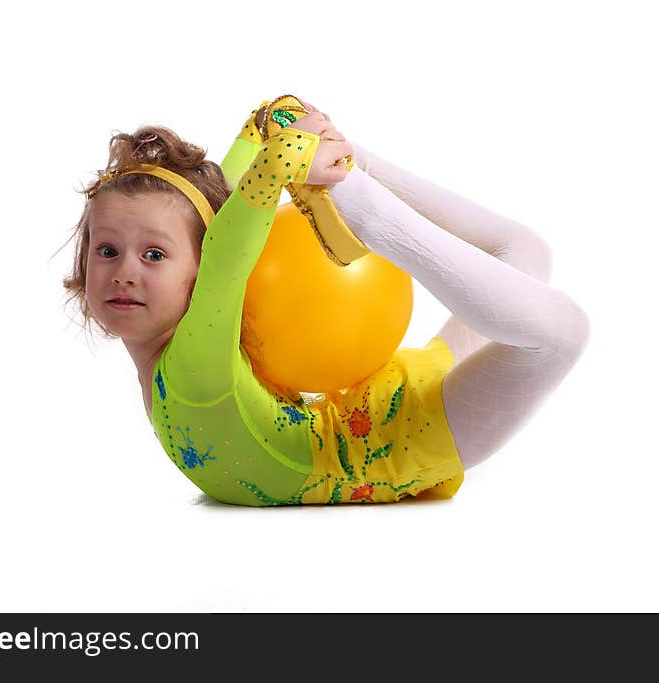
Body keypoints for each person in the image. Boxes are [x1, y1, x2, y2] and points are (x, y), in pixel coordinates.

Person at [63, 95, 590, 506]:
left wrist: (278, 151)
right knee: (525, 253)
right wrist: (271, 129)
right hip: (388, 427)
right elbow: (221, 221)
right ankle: (349, 169)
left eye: (154, 254)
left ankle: (364, 205)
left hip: (398, 433)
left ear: (199, 273)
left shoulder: (191, 369)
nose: (124, 272)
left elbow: (225, 250)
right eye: (107, 250)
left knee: (562, 331)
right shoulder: (192, 355)